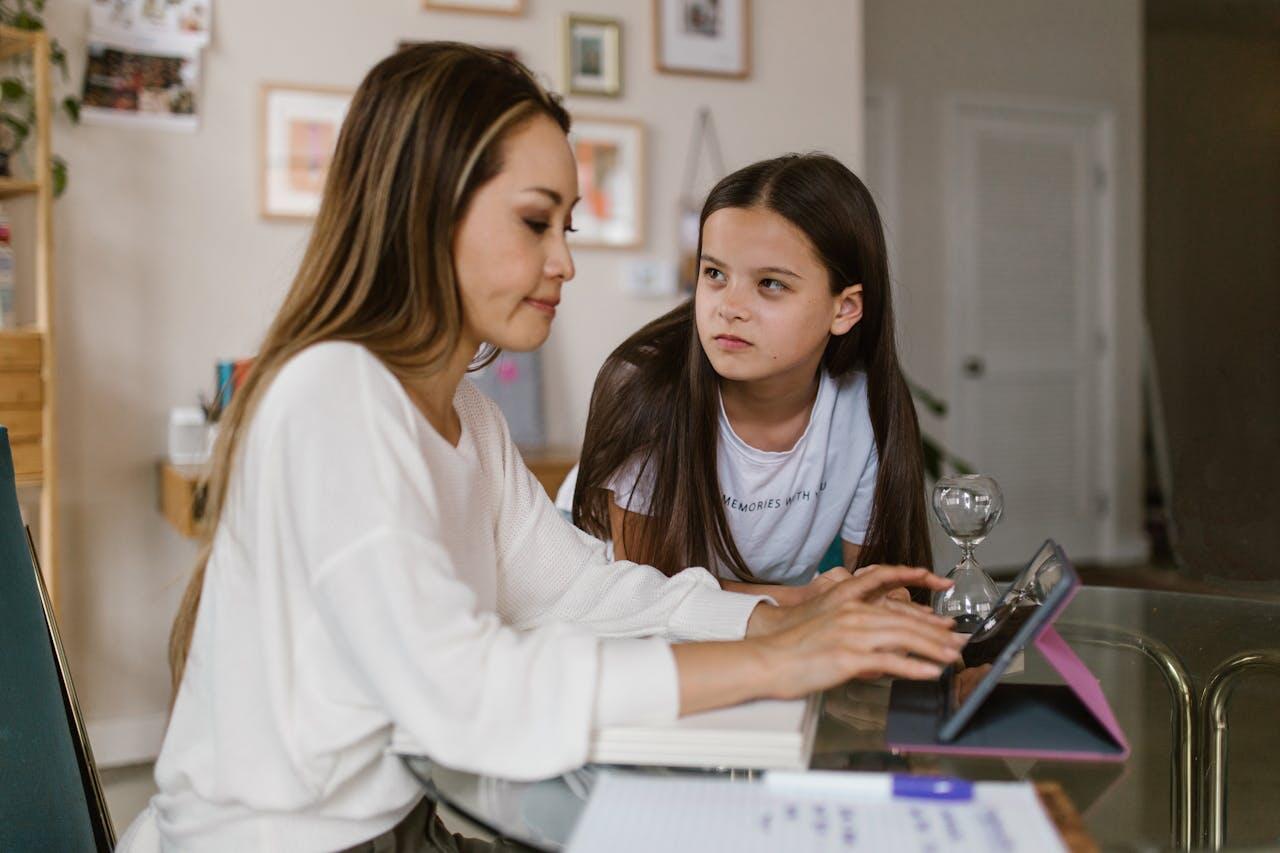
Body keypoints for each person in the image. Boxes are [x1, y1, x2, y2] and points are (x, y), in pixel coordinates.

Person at [121, 44, 961, 852]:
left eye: (568, 224)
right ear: (428, 208)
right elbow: (468, 690)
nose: (564, 260)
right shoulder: (333, 397)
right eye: (535, 221)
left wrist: (778, 613)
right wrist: (774, 662)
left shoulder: (468, 417)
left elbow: (584, 592)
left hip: (399, 827)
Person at [568, 154, 933, 606]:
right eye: (715, 274)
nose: (729, 307)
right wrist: (806, 601)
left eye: (771, 284)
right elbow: (647, 595)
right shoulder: (646, 388)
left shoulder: (864, 407)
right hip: (606, 629)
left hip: (762, 635)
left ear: (844, 309)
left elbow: (872, 588)